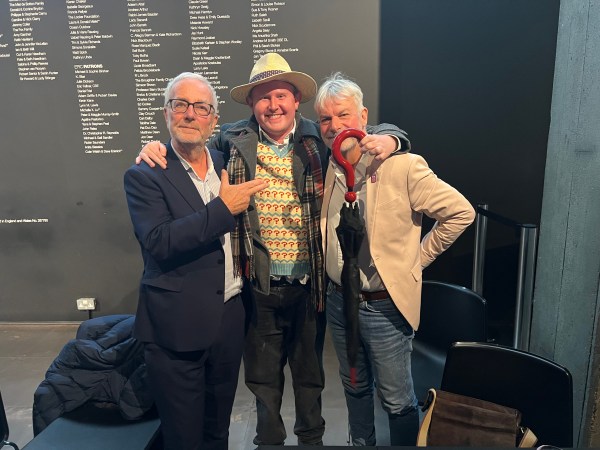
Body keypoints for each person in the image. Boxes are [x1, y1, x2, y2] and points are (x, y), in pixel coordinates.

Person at [136, 53, 409, 446]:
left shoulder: (319, 138)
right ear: (251, 103)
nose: (273, 105)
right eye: (263, 97)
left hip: (309, 287)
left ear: (296, 100)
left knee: (310, 381)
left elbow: (363, 127)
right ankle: (269, 443)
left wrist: (392, 137)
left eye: (281, 95)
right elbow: (187, 141)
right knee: (263, 383)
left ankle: (311, 441)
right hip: (258, 288)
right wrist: (155, 147)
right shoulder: (231, 140)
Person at [315, 72, 476, 446]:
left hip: (383, 307)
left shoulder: (402, 166)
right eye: (325, 118)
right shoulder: (328, 166)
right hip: (341, 302)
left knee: (397, 400)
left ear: (363, 116)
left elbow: (460, 213)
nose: (334, 125)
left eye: (343, 115)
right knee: (354, 388)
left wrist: (416, 261)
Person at [123, 72, 268, 450]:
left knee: (218, 431)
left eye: (201, 108)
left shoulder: (224, 160)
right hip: (176, 327)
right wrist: (223, 209)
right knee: (183, 438)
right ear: (166, 113)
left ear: (214, 120)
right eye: (180, 104)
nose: (190, 114)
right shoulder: (144, 174)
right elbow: (159, 241)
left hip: (228, 318)